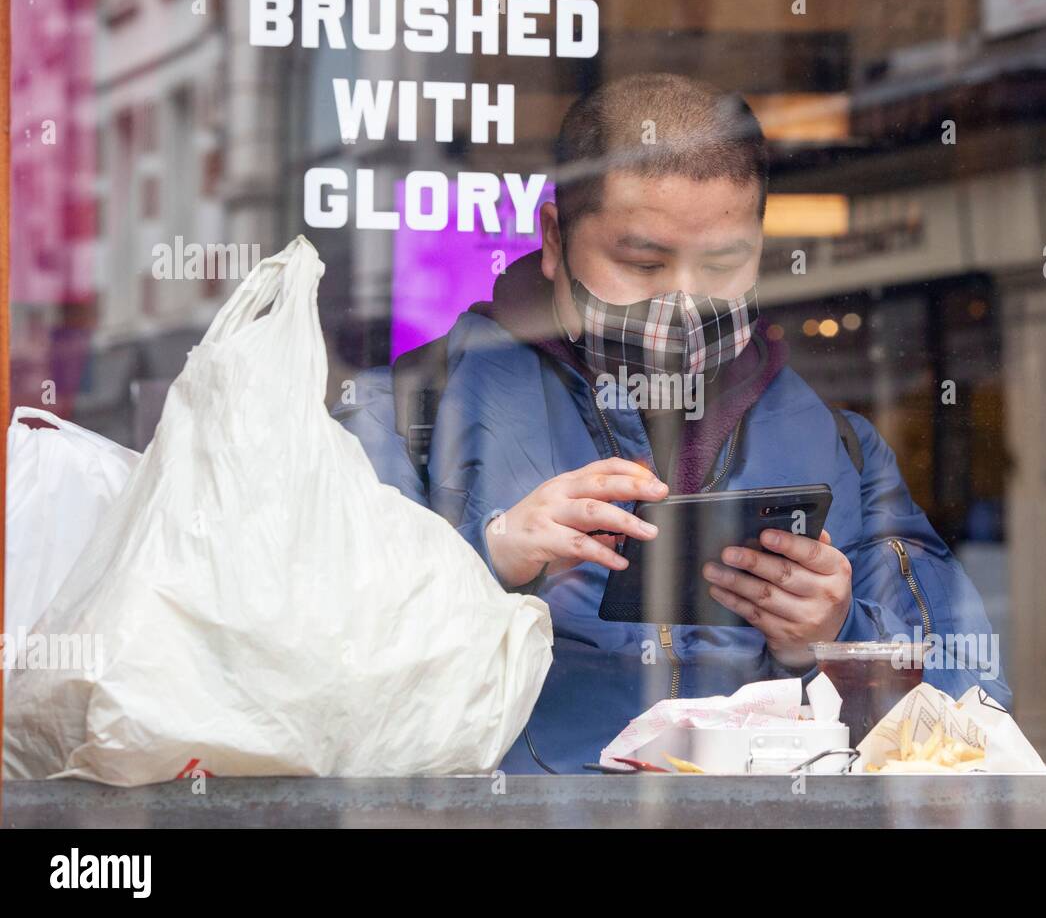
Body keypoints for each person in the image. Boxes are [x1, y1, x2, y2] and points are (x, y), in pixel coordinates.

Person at [336, 72, 1010, 772]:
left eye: (724, 262)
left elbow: (974, 714)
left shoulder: (842, 451)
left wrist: (837, 635)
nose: (684, 303)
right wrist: (490, 558)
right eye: (643, 261)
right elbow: (304, 672)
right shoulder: (404, 422)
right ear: (555, 238)